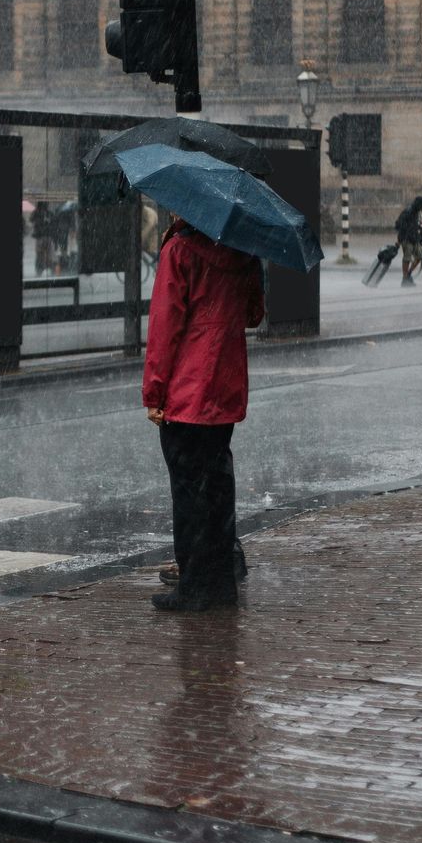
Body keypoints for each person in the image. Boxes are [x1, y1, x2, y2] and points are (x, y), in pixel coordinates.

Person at [143, 216, 265, 612]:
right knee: (217, 486)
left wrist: (154, 392)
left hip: (187, 390)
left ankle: (194, 587)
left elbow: (165, 328)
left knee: (188, 492)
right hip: (224, 386)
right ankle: (220, 584)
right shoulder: (245, 252)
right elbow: (253, 315)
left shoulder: (179, 251)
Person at [394, 196, 422, 287]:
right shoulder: (407, 212)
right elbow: (399, 225)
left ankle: (408, 274)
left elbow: (414, 223)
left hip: (415, 238)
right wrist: (399, 240)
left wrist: (419, 225)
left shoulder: (417, 212)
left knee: (420, 256)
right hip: (407, 239)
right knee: (407, 259)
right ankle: (404, 278)